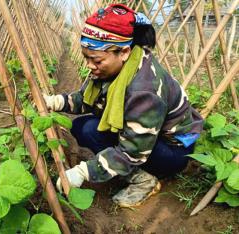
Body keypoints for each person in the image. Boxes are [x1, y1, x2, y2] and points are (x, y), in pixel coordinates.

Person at [43, 3, 203, 207]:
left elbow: (132, 151)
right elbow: (86, 99)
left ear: (124, 52)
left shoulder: (144, 91)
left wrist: (85, 171)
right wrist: (56, 101)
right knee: (83, 126)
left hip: (171, 151)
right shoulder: (116, 67)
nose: (90, 66)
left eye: (97, 60)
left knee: (93, 131)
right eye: (86, 58)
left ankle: (144, 180)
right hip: (148, 139)